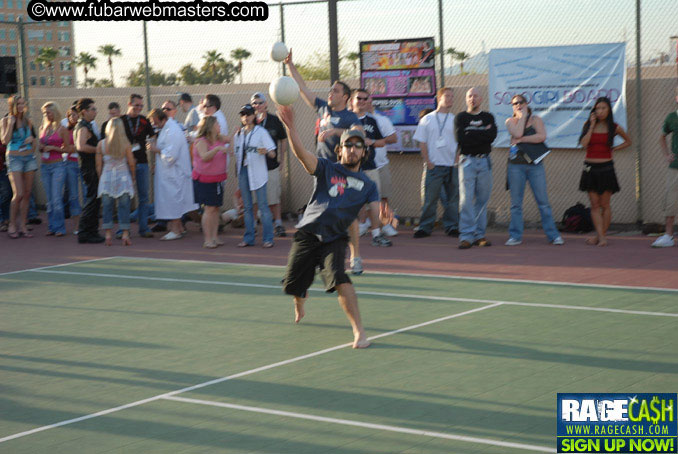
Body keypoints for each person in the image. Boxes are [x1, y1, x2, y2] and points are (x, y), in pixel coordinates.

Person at [278, 105, 375, 349]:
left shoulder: (368, 185)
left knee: (340, 278)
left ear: (363, 152)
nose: (352, 149)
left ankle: (359, 331)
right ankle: (300, 298)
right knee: (293, 284)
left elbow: (370, 221)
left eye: (357, 146)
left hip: (334, 238)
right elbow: (302, 155)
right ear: (339, 149)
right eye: (348, 145)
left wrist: (383, 220)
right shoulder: (326, 168)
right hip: (308, 233)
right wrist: (291, 128)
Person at [505, 94, 564, 246]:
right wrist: (522, 118)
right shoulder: (510, 121)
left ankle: (553, 235)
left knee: (543, 202)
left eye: (521, 102)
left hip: (535, 166)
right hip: (516, 166)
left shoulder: (536, 119)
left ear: (526, 103)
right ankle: (515, 236)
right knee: (516, 204)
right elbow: (517, 133)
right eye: (514, 103)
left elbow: (541, 137)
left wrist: (522, 140)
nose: (518, 105)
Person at [578, 96, 632, 247]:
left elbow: (628, 141)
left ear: (609, 110)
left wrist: (614, 148)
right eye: (598, 108)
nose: (600, 111)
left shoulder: (614, 127)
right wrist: (591, 125)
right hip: (590, 168)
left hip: (606, 168)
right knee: (594, 205)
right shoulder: (588, 124)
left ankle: (601, 236)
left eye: (603, 108)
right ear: (594, 110)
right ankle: (600, 237)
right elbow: (583, 144)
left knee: (605, 204)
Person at [412, 87, 460, 238]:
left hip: (451, 165)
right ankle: (425, 227)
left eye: (452, 96)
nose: (450, 99)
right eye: (447, 96)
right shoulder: (427, 119)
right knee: (430, 199)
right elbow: (422, 142)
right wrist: (428, 161)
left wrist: (457, 159)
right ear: (439, 98)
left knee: (452, 199)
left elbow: (460, 142)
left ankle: (452, 226)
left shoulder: (455, 119)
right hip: (434, 166)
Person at [454, 87, 497, 249]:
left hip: (484, 161)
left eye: (476, 96)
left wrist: (471, 134)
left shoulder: (488, 117)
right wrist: (482, 134)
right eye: (470, 96)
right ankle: (466, 236)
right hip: (467, 162)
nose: (473, 98)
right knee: (466, 200)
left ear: (481, 99)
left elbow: (491, 137)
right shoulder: (461, 117)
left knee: (482, 199)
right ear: (466, 99)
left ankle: (479, 235)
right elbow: (461, 139)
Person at [148, 108, 198, 241]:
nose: (154, 125)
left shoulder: (173, 130)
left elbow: (171, 155)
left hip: (175, 174)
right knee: (172, 200)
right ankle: (179, 228)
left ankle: (176, 230)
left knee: (173, 200)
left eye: (156, 122)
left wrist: (155, 149)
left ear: (163, 119)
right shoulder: (166, 129)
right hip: (168, 173)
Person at [233, 104, 276, 248]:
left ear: (254, 116)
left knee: (263, 206)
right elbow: (237, 156)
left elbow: (272, 153)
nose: (246, 117)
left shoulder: (261, 132)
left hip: (258, 172)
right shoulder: (238, 135)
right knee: (247, 207)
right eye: (243, 114)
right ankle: (249, 237)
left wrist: (265, 152)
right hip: (244, 171)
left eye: (249, 114)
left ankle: (268, 238)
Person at [251, 91, 288, 237]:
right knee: (254, 199)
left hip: (271, 165)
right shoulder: (248, 121)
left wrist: (282, 160)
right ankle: (253, 225)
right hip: (254, 168)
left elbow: (283, 139)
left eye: (260, 102)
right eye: (255, 103)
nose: (258, 106)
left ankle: (278, 224)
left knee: (273, 197)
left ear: (266, 104)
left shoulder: (274, 120)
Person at [0, 95, 38, 239]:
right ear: (13, 106)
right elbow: (5, 140)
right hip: (14, 158)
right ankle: (12, 224)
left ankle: (22, 225)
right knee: (19, 194)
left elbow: (34, 144)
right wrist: (11, 124)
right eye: (18, 104)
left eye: (23, 103)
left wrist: (31, 140)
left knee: (27, 194)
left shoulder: (28, 121)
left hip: (29, 158)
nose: (21, 106)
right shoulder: (5, 120)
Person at [96, 118, 136, 246]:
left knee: (107, 206)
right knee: (124, 206)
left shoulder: (101, 144)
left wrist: (100, 177)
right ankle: (125, 233)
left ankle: (108, 233)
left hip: (107, 178)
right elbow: (131, 163)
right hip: (123, 177)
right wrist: (133, 176)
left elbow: (98, 165)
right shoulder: (126, 144)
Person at [192, 116, 231, 248]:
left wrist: (238, 131)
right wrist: (217, 149)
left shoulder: (219, 138)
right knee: (208, 209)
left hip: (218, 179)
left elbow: (232, 138)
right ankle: (207, 239)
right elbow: (204, 157)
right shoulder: (201, 141)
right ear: (210, 126)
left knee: (215, 209)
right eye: (217, 124)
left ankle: (215, 237)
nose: (219, 125)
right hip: (204, 180)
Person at [121, 94, 155, 238]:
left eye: (141, 106)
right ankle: (122, 229)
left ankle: (144, 228)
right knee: (125, 197)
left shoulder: (144, 120)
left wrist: (151, 144)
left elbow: (153, 136)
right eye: (136, 105)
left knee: (143, 197)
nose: (139, 108)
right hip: (125, 164)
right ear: (129, 104)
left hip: (142, 162)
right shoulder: (121, 121)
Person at [74, 97, 105, 243]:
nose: (95, 111)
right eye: (92, 109)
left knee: (95, 199)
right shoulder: (83, 127)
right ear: (84, 111)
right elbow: (81, 146)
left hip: (92, 167)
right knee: (92, 200)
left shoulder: (89, 125)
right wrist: (99, 150)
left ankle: (91, 231)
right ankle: (85, 232)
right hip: (89, 168)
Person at [367, 95, 398, 237]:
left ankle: (385, 224)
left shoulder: (382, 120)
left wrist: (373, 141)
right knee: (363, 199)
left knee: (383, 197)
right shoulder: (353, 120)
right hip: (363, 166)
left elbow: (393, 138)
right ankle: (364, 224)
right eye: (359, 99)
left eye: (366, 99)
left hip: (381, 164)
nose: (363, 102)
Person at [652, 87, 678, 248]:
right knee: (671, 199)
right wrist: (666, 155)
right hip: (675, 167)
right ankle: (668, 235)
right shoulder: (671, 118)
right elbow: (661, 137)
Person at [39, 102, 70, 237]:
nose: (46, 115)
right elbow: (40, 145)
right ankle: (51, 226)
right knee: (50, 199)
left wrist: (53, 148)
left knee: (56, 198)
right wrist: (41, 147)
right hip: (45, 166)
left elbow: (68, 149)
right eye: (45, 113)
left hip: (58, 165)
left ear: (55, 112)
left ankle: (60, 227)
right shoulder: (43, 128)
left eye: (49, 112)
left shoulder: (62, 129)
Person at [63, 107, 82, 235]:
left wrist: (76, 147)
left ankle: (88, 223)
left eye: (76, 115)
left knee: (87, 194)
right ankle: (77, 226)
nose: (74, 118)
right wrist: (79, 147)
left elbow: (88, 145)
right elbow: (65, 147)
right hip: (70, 164)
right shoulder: (66, 130)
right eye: (71, 116)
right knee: (74, 195)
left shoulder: (85, 128)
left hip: (84, 164)